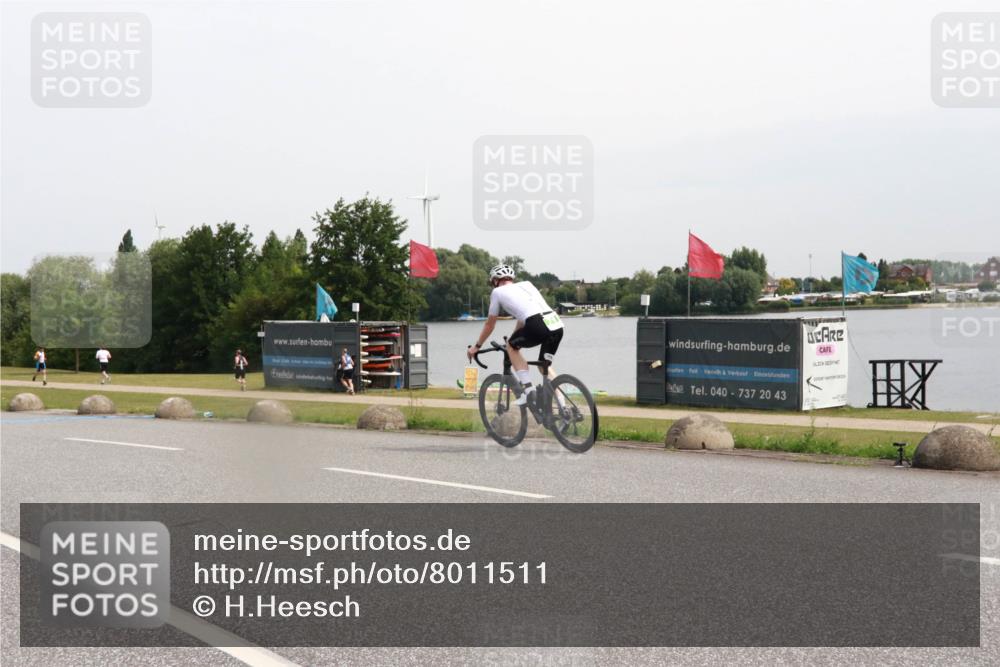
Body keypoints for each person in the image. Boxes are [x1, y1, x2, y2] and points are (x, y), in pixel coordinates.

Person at [467, 264, 564, 405]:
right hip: (556, 324)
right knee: (544, 366)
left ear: (495, 280)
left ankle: (529, 391)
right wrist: (513, 340)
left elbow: (490, 324)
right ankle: (564, 407)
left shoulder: (497, 292)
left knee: (512, 347)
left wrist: (477, 346)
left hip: (537, 324)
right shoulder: (527, 285)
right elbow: (523, 317)